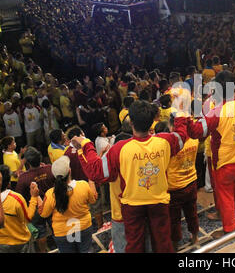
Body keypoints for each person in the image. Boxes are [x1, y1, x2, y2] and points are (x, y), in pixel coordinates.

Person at [72, 100, 189, 253]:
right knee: (163, 241)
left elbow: (96, 171)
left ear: (131, 122)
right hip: (159, 200)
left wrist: (86, 144)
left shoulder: (119, 149)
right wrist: (180, 113)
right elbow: (181, 136)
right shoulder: (165, 141)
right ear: (152, 121)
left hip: (132, 204)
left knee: (134, 244)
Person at [186, 70, 235, 239]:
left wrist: (184, 116)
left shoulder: (217, 111)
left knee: (225, 197)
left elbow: (197, 132)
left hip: (225, 162)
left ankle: (229, 229)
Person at [39, 156, 97, 253]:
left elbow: (43, 213)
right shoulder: (83, 185)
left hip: (62, 233)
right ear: (69, 171)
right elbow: (93, 200)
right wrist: (91, 180)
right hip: (83, 227)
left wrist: (35, 196)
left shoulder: (50, 194)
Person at [158, 116, 199, 251]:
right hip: (191, 181)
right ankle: (195, 237)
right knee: (192, 212)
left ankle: (175, 245)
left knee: (174, 220)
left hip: (175, 187)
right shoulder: (194, 139)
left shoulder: (171, 144)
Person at [15, 147, 55, 253]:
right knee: (55, 225)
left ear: (28, 162)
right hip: (51, 204)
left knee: (40, 232)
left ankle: (43, 251)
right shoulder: (50, 169)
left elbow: (19, 196)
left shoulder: (23, 178)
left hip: (36, 209)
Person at [0, 164, 40, 253]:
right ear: (8, 182)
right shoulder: (16, 198)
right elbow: (28, 218)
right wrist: (34, 197)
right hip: (20, 242)